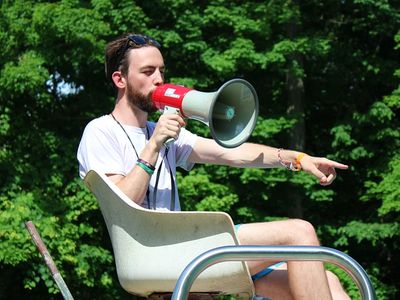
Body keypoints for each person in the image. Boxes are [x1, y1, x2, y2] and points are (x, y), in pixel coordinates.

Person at [77, 33, 350, 300]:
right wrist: (154, 145)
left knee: (329, 280)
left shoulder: (164, 132)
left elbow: (234, 154)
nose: (159, 79)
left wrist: (298, 159)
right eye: (147, 71)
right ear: (120, 79)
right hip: (152, 255)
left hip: (184, 248)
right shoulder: (100, 131)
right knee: (299, 233)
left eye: (161, 70)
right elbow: (123, 201)